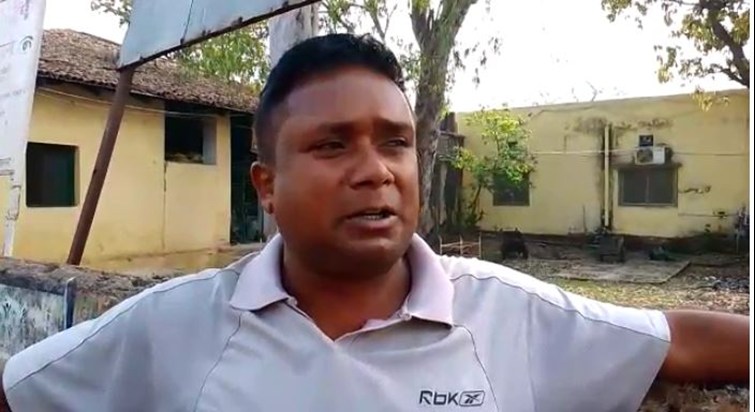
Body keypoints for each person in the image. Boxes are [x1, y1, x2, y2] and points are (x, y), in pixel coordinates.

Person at [1, 33, 749, 412]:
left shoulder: (510, 316)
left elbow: (678, 339)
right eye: (332, 146)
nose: (375, 171)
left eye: (394, 143)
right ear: (267, 185)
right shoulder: (170, 326)